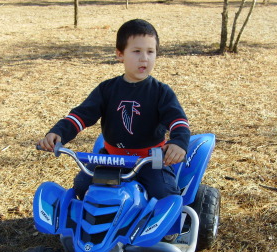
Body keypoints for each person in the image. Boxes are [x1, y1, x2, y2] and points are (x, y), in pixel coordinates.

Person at [38, 19, 190, 200]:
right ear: (120, 55)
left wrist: (179, 142)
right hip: (111, 158)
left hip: (150, 160)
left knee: (164, 193)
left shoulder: (161, 92)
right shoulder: (107, 90)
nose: (144, 58)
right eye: (136, 51)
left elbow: (178, 120)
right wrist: (59, 132)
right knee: (82, 188)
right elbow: (81, 115)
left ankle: (165, 224)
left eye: (151, 52)